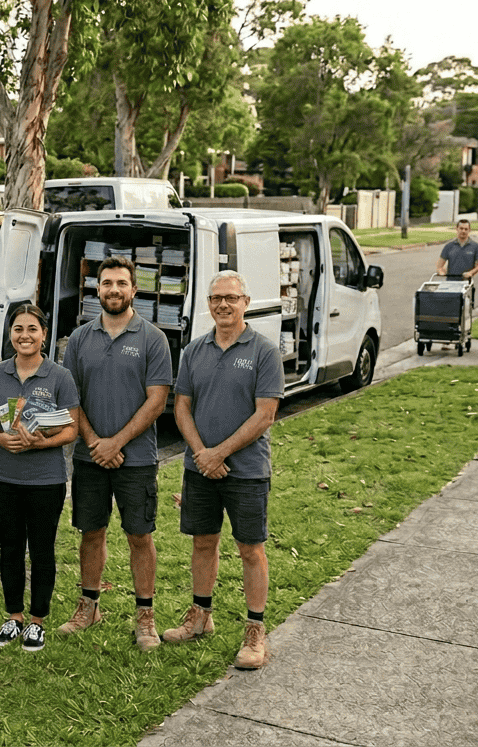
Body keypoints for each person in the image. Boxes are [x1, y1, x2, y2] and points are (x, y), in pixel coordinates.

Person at [161, 271, 283, 670]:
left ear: (245, 301)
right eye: (216, 299)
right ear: (208, 304)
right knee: (202, 542)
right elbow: (181, 406)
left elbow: (265, 415)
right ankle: (200, 616)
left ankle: (255, 631)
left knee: (250, 549)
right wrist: (201, 454)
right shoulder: (195, 351)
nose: (223, 305)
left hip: (246, 470)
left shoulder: (264, 351)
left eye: (231, 298)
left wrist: (220, 453)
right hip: (201, 469)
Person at [58, 255, 172, 650]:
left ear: (133, 289)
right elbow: (70, 400)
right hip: (90, 458)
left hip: (135, 459)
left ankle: (145, 616)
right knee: (91, 532)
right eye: (106, 284)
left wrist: (116, 443)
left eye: (121, 284)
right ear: (97, 289)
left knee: (139, 535)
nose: (114, 290)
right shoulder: (80, 339)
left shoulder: (152, 339)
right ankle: (89, 606)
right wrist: (94, 443)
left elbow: (157, 401)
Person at [0, 303, 80, 652]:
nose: (25, 335)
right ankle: (14, 616)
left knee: (41, 549)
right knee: (9, 548)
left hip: (45, 480)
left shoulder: (59, 377)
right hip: (3, 477)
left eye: (32, 329)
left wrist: (41, 441)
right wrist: (0, 438)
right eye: (18, 329)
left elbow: (71, 429)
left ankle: (37, 621)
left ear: (44, 335)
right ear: (10, 335)